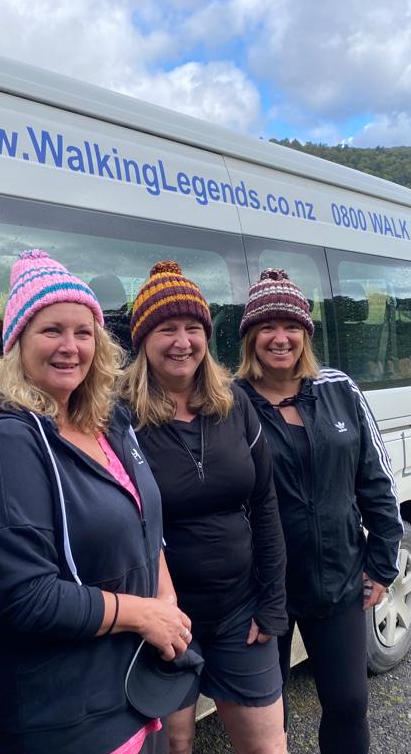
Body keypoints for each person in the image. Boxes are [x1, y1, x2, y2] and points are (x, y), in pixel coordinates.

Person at [0, 249, 191, 754]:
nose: (70, 347)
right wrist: (144, 614)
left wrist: (165, 601)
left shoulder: (109, 422)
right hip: (65, 713)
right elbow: (24, 596)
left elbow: (148, 523)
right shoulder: (7, 443)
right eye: (51, 331)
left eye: (83, 333)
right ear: (17, 343)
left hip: (131, 686)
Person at [118, 261, 288, 754]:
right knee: (176, 742)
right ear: (142, 339)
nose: (182, 341)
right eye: (166, 328)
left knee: (265, 746)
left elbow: (265, 504)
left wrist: (273, 602)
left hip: (242, 612)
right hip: (165, 618)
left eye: (193, 328)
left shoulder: (235, 403)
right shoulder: (118, 416)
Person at [234, 268, 403, 754]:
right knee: (271, 715)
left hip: (339, 579)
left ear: (306, 333)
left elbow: (377, 480)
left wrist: (382, 561)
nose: (279, 338)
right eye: (267, 327)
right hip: (263, 589)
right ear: (250, 337)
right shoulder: (229, 402)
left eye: (291, 326)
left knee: (349, 702)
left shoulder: (339, 389)